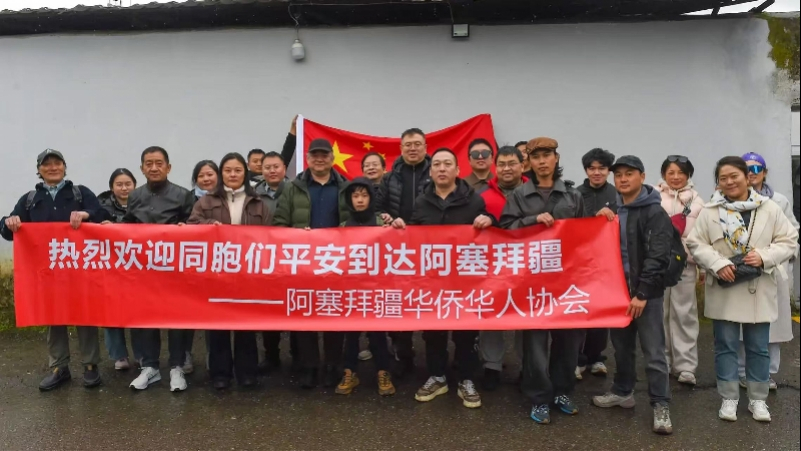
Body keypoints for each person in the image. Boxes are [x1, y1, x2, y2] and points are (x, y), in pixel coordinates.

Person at [687, 156, 797, 423]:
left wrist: (764, 256)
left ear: (747, 177)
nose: (729, 182)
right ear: (718, 183)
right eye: (723, 178)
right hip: (724, 287)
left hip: (758, 287)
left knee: (758, 347)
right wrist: (717, 263)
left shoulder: (768, 208)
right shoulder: (711, 211)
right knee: (725, 346)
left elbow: (789, 240)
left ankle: (758, 399)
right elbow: (696, 243)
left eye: (734, 176)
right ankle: (729, 397)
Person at [394, 147, 492, 408]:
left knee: (466, 334)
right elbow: (414, 235)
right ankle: (437, 377)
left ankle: (466, 379)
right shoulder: (421, 201)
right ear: (431, 171)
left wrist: (489, 219)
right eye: (436, 164)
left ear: (457, 170)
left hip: (465, 281)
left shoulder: (474, 201)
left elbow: (490, 232)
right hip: (432, 282)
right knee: (433, 332)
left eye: (447, 163)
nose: (441, 168)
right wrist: (401, 228)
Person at [499, 137, 586, 425]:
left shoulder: (572, 196)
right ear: (529, 163)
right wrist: (532, 220)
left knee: (568, 342)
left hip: (566, 281)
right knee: (535, 345)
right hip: (532, 282)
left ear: (556, 159)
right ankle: (539, 397)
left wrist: (603, 219)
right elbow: (506, 230)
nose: (542, 161)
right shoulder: (519, 196)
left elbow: (587, 236)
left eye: (547, 156)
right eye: (536, 157)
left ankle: (562, 392)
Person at [1, 149, 103, 391]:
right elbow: (7, 231)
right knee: (54, 316)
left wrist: (86, 214)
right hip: (47, 271)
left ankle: (91, 366)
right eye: (47, 164)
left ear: (65, 167)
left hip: (79, 268)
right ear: (39, 170)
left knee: (85, 315)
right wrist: (9, 221)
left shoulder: (80, 193)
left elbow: (102, 215)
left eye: (57, 163)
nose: (53, 167)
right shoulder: (30, 199)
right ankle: (59, 367)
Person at [592, 155, 674, 435]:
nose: (623, 179)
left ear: (642, 176)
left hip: (646, 295)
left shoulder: (654, 212)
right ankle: (622, 392)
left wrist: (642, 293)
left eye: (629, 173)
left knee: (654, 352)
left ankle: (660, 404)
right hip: (618, 294)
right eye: (619, 175)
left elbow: (658, 256)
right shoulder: (613, 209)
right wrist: (598, 222)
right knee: (622, 348)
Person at [188, 153, 272, 389]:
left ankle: (247, 373)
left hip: (248, 273)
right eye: (227, 170)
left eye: (237, 170)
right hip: (216, 273)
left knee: (246, 326)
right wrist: (209, 226)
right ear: (221, 173)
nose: (232, 175)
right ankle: (220, 374)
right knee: (218, 326)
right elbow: (192, 226)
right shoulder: (206, 202)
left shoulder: (258, 203)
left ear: (245, 173)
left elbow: (271, 236)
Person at [273, 138, 350, 389]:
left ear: (332, 158)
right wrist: (296, 235)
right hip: (302, 263)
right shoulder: (292, 188)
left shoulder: (344, 187)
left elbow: (354, 222)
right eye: (314, 155)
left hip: (335, 263)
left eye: (324, 155)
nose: (319, 159)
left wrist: (343, 231)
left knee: (333, 316)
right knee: (304, 316)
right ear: (307, 159)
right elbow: (279, 224)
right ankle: (309, 367)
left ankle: (332, 366)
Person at [122, 146, 197, 392]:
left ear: (168, 167)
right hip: (143, 270)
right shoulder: (135, 196)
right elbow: (127, 226)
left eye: (159, 163)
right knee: (145, 317)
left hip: (175, 270)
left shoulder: (183, 195)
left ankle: (177, 367)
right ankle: (150, 367)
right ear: (142, 168)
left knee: (177, 318)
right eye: (149, 164)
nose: (154, 168)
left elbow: (195, 229)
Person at [737, 152, 799, 390]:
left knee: (772, 325)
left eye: (757, 169)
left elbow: (792, 231)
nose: (752, 174)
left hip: (771, 268)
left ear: (765, 172)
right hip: (743, 268)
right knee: (743, 322)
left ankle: (767, 372)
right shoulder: (731, 199)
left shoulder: (779, 201)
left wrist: (776, 255)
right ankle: (742, 371)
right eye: (747, 169)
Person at [375, 127, 432, 379]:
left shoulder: (435, 173)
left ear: (425, 147)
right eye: (408, 144)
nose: (412, 148)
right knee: (399, 303)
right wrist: (384, 218)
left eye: (417, 144)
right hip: (398, 252)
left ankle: (434, 360)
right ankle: (403, 355)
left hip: (429, 250)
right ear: (400, 149)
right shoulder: (390, 178)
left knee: (430, 303)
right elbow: (377, 208)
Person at [335, 177, 395, 397]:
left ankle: (383, 371)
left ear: (371, 198)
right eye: (355, 196)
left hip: (377, 289)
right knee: (350, 334)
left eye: (364, 195)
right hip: (351, 289)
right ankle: (349, 372)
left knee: (378, 333)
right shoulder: (343, 226)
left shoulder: (382, 223)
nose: (360, 200)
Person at [478, 145, 527, 390]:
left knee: (527, 317)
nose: (507, 168)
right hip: (492, 266)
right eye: (502, 164)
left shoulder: (534, 193)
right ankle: (492, 366)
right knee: (491, 314)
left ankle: (527, 366)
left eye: (512, 163)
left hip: (527, 266)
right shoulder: (482, 195)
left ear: (522, 165)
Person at [657, 155, 705, 386]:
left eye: (681, 173)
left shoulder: (698, 202)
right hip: (658, 264)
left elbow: (703, 237)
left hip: (685, 264)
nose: (676, 177)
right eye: (671, 172)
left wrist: (702, 267)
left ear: (688, 175)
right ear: (663, 174)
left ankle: (686, 366)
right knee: (659, 314)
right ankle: (662, 361)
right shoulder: (653, 196)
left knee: (684, 314)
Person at [575, 148, 618, 380]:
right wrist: (593, 218)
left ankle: (596, 358)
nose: (597, 172)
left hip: (607, 262)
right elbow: (570, 224)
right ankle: (577, 359)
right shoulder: (575, 194)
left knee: (601, 311)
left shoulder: (617, 192)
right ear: (586, 170)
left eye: (602, 168)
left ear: (609, 170)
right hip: (580, 262)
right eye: (592, 168)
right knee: (579, 309)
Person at [98, 168, 142, 371]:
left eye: (128, 184)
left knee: (138, 311)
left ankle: (142, 354)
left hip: (138, 266)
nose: (124, 188)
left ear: (135, 185)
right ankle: (119, 356)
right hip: (110, 267)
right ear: (111, 187)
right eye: (119, 184)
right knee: (111, 311)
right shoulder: (100, 206)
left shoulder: (144, 203)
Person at [253, 150, 293, 373]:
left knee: (294, 306)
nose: (272, 171)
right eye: (267, 167)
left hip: (292, 258)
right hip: (264, 259)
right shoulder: (254, 194)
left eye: (276, 166)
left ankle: (298, 355)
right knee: (268, 308)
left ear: (284, 168)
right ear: (261, 170)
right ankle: (271, 355)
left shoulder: (296, 190)